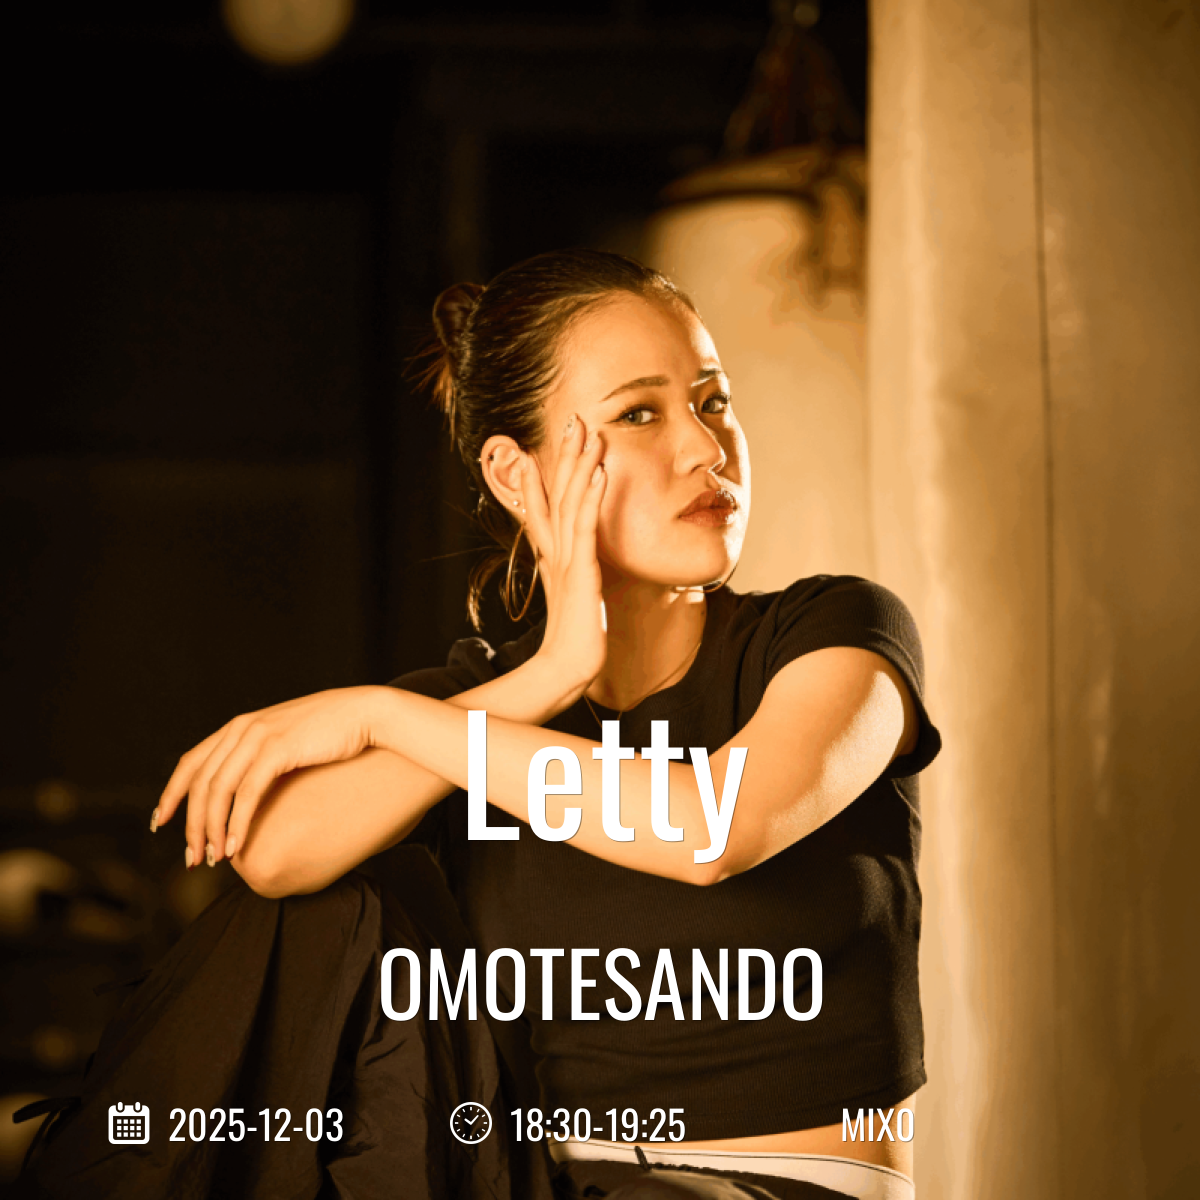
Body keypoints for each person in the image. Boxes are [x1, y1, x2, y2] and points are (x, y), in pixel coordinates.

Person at [16, 249, 940, 1200]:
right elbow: (274, 860)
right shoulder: (480, 705)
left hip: (781, 1185)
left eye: (713, 400)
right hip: (528, 1178)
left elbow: (714, 827)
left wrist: (377, 713)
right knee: (323, 912)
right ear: (514, 472)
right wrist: (546, 677)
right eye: (640, 414)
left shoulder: (836, 636)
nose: (706, 448)